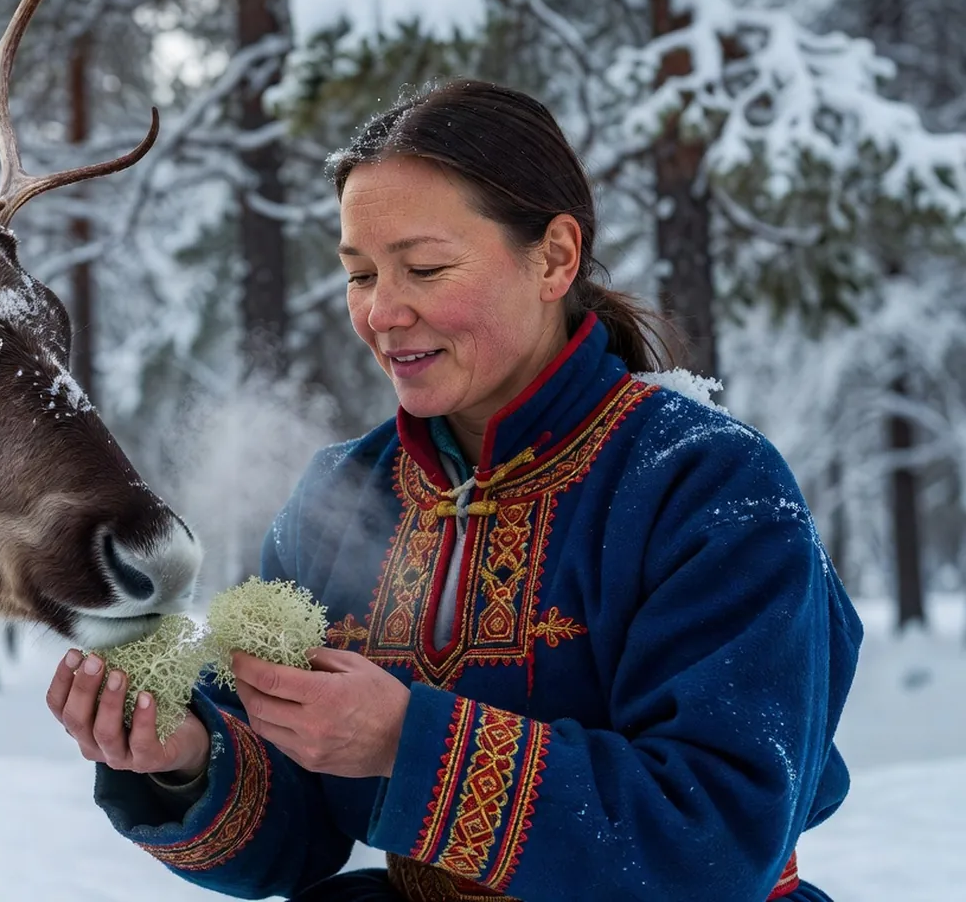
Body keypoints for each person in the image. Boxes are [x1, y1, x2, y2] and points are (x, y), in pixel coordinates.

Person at [45, 78, 862, 902]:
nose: (383, 313)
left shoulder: (708, 486)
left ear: (554, 258)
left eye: (425, 268)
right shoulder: (340, 496)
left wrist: (411, 743)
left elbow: (718, 841)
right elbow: (298, 832)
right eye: (360, 275)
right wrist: (187, 759)